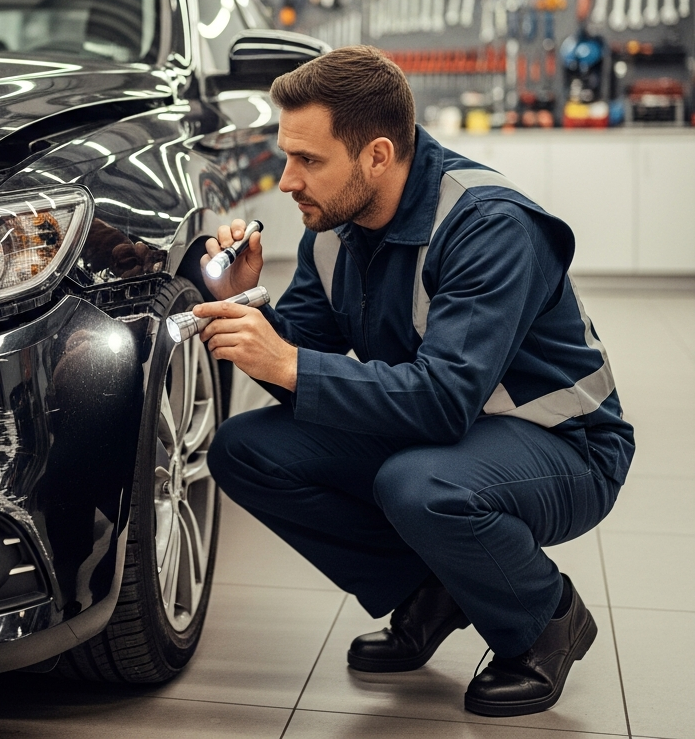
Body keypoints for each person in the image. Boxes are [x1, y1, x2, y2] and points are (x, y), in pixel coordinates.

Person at [196, 46, 633, 718]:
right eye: (287, 156)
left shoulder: (488, 226)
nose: (286, 182)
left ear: (376, 155)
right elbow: (303, 371)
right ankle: (434, 588)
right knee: (246, 449)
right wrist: (249, 302)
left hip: (565, 444)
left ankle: (545, 620)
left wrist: (285, 362)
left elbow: (441, 402)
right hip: (451, 431)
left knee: (419, 485)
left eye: (308, 160)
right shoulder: (336, 230)